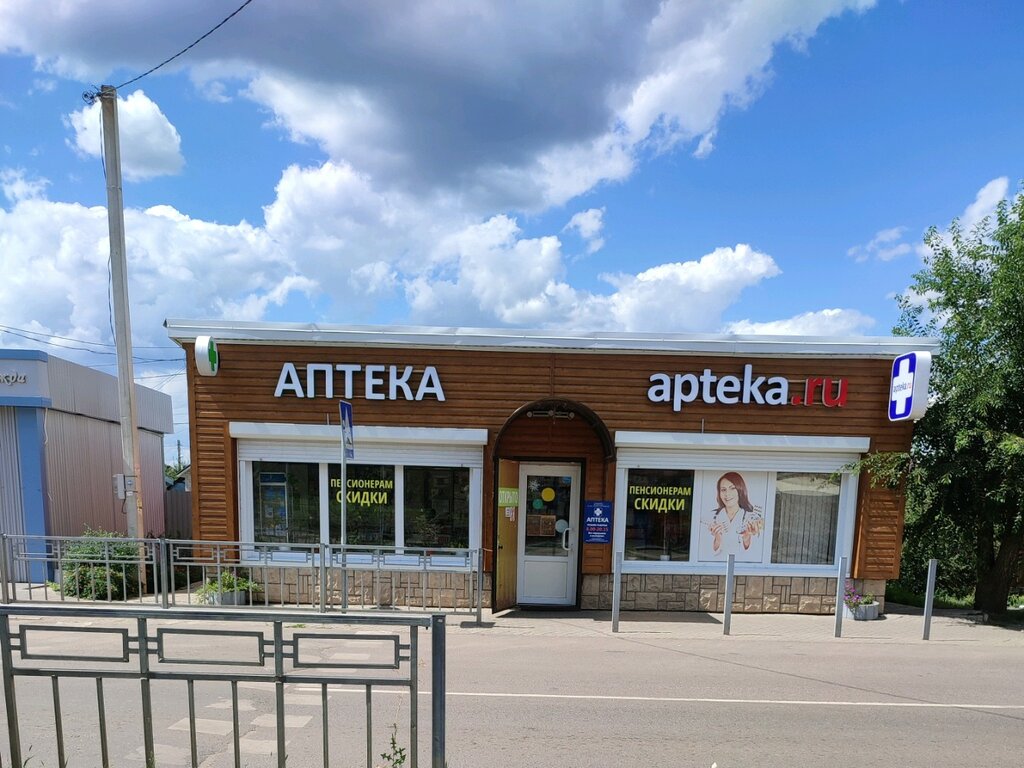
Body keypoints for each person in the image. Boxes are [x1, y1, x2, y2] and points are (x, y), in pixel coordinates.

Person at [706, 471, 764, 556]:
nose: (727, 494)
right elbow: (705, 552)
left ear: (740, 490)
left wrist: (746, 539)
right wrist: (717, 540)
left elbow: (756, 553)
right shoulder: (710, 517)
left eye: (732, 488)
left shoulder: (752, 519)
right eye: (723, 490)